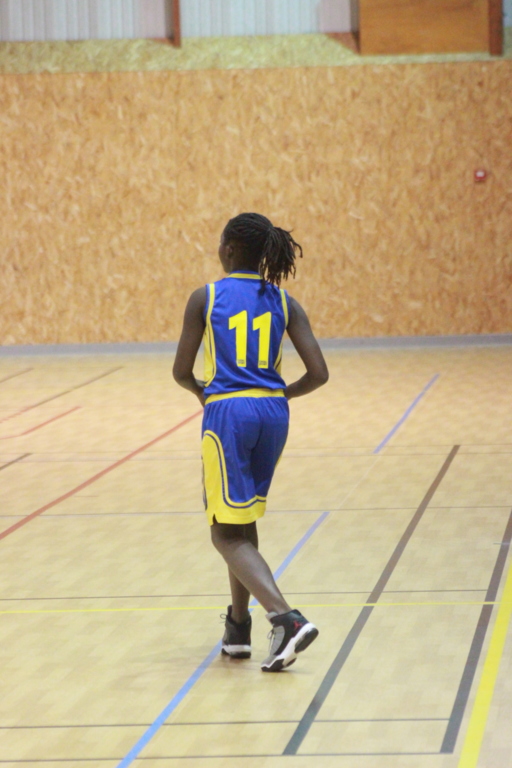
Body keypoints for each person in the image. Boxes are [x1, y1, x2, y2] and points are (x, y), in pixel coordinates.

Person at [173, 212, 329, 672]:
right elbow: (319, 373)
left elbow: (181, 372)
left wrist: (204, 394)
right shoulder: (283, 300)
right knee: (243, 520)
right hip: (273, 414)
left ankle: (286, 619)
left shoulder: (206, 296)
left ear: (227, 250)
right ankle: (238, 628)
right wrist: (282, 394)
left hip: (229, 413)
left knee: (223, 532)